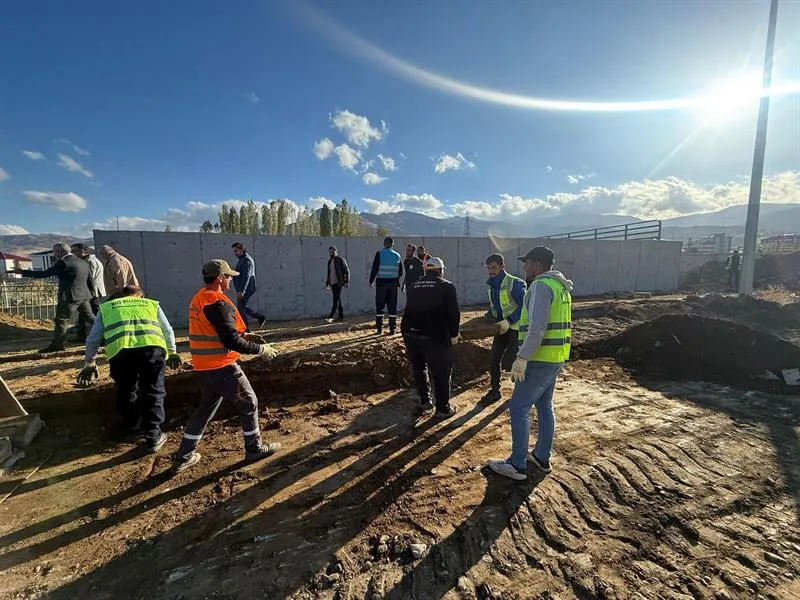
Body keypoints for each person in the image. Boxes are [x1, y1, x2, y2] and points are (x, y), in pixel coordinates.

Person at [172, 259, 281, 473]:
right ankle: (254, 449)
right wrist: (261, 350)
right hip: (221, 366)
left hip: (205, 366)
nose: (231, 280)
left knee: (204, 410)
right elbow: (231, 341)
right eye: (229, 276)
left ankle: (183, 455)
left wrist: (244, 334)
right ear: (220, 278)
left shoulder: (200, 298)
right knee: (249, 403)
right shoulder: (217, 303)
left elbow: (215, 329)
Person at [488, 246, 573, 481]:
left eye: (528, 262)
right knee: (545, 406)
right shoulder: (561, 287)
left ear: (537, 264)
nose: (525, 267)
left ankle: (517, 465)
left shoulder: (540, 286)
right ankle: (541, 457)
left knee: (518, 407)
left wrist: (522, 357)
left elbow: (537, 330)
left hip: (538, 358)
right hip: (555, 357)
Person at [77, 285, 182, 451]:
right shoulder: (150, 304)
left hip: (121, 353)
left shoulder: (108, 308)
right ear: (141, 296)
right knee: (153, 390)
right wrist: (173, 351)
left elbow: (93, 338)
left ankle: (133, 428)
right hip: (152, 351)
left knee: (126, 389)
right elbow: (167, 329)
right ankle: (154, 434)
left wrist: (90, 362)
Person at [401, 257, 461, 418]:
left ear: (426, 270)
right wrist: (454, 335)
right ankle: (442, 409)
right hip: (434, 338)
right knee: (442, 373)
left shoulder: (413, 286)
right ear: (441, 271)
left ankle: (425, 401)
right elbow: (454, 314)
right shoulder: (447, 286)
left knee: (419, 368)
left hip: (411, 335)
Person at [12, 243, 96, 353]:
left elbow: (45, 274)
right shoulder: (82, 261)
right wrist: (92, 294)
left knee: (62, 320)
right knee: (90, 317)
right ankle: (108, 335)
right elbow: (90, 279)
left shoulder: (64, 262)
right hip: (84, 295)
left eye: (55, 251)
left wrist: (23, 272)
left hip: (69, 296)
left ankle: (57, 345)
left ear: (61, 251)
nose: (54, 254)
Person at [482, 253, 527, 403]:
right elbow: (495, 305)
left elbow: (524, 307)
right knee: (494, 359)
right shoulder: (491, 284)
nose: (491, 271)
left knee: (515, 362)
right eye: (488, 268)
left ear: (502, 267)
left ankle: (520, 392)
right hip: (501, 328)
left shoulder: (515, 283)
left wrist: (509, 320)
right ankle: (495, 391)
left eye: (494, 267)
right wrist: (488, 317)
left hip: (515, 328)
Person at [369, 237, 403, 335]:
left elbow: (375, 268)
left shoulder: (379, 254)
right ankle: (392, 329)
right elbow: (400, 271)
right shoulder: (397, 255)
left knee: (380, 306)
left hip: (381, 284)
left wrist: (371, 281)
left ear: (384, 244)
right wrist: (394, 277)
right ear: (392, 245)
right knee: (392, 306)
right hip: (393, 284)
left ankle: (379, 329)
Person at [231, 242, 267, 330]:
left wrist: (242, 290)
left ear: (242, 249)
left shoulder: (247, 260)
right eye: (234, 251)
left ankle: (245, 328)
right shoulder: (242, 259)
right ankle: (259, 317)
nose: (235, 253)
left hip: (246, 288)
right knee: (241, 307)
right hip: (243, 288)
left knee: (240, 307)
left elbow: (246, 276)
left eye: (236, 251)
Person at [71, 243, 106, 314]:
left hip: (93, 292)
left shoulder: (89, 261)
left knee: (96, 312)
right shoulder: (91, 260)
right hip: (93, 291)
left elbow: (89, 278)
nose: (73, 254)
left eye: (74, 251)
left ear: (81, 251)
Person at [325, 246, 350, 323]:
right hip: (332, 283)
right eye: (330, 252)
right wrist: (327, 283)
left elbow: (347, 271)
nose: (331, 253)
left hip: (339, 283)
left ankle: (331, 316)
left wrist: (346, 282)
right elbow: (329, 273)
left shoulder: (340, 259)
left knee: (335, 299)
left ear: (336, 251)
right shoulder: (329, 261)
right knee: (338, 299)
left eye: (332, 251)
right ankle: (341, 316)